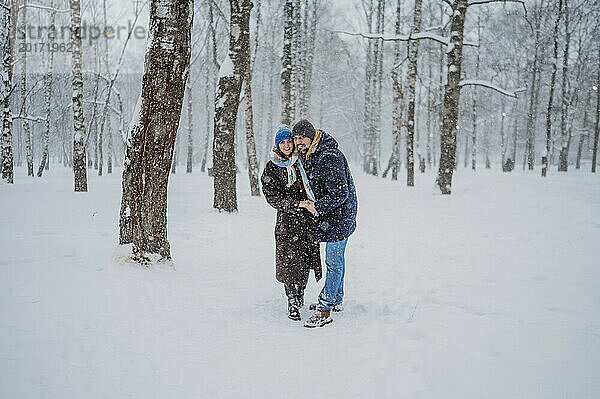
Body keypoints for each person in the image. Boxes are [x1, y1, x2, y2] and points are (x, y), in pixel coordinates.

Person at [292, 119, 358, 328]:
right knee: (336, 260)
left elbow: (340, 193)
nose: (298, 142)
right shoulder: (311, 154)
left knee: (333, 262)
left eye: (301, 138)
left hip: (340, 217)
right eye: (295, 138)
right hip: (332, 217)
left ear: (311, 137)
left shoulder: (329, 156)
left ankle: (325, 308)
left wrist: (317, 206)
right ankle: (336, 299)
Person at [261, 125, 322, 321]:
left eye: (289, 141)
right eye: (283, 142)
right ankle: (292, 301)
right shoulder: (272, 165)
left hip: (306, 221)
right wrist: (296, 203)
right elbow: (272, 196)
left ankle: (300, 293)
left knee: (304, 262)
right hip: (286, 222)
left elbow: (313, 184)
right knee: (288, 264)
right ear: (277, 144)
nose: (287, 145)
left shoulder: (301, 162)